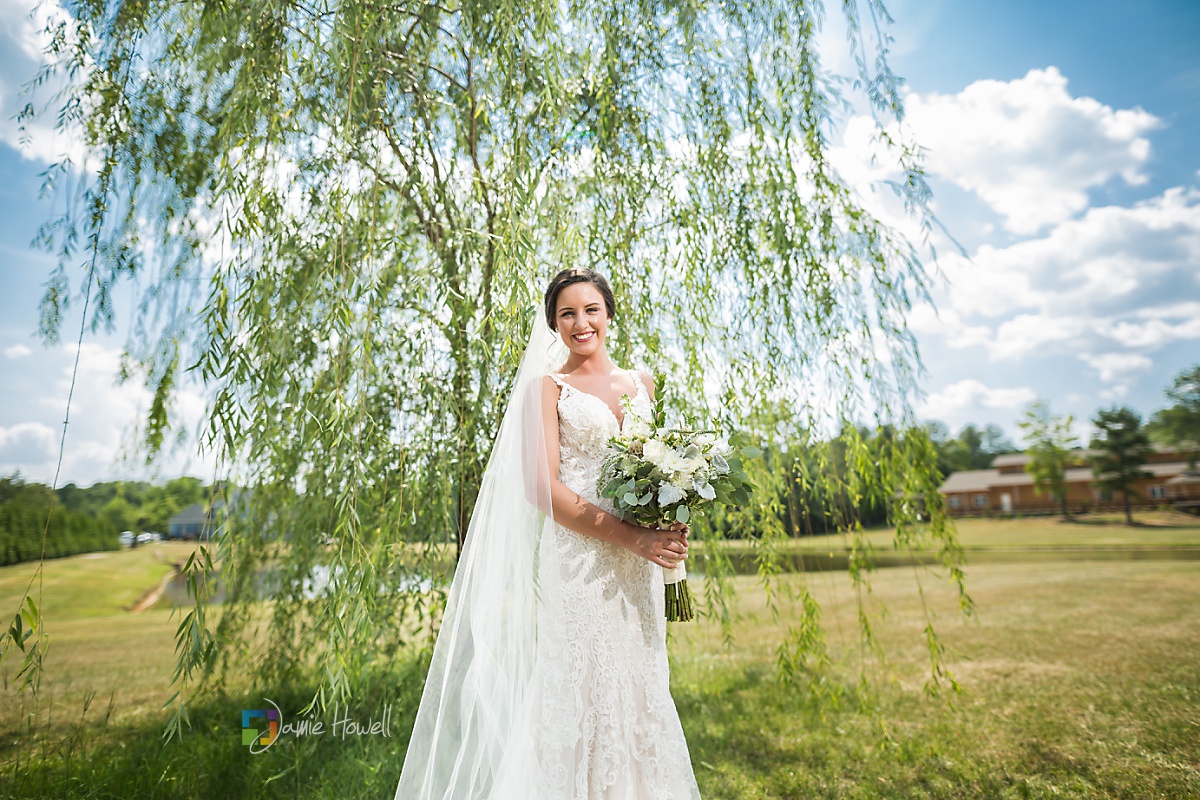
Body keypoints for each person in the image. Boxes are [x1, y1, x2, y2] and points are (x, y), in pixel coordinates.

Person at [395, 268, 702, 799]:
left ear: (609, 314)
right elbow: (542, 489)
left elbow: (658, 471)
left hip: (641, 568)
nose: (581, 323)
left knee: (639, 683)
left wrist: (671, 520)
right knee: (580, 684)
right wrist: (633, 537)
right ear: (554, 325)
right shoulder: (547, 389)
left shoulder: (642, 385)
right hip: (580, 559)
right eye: (567, 314)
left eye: (591, 310)